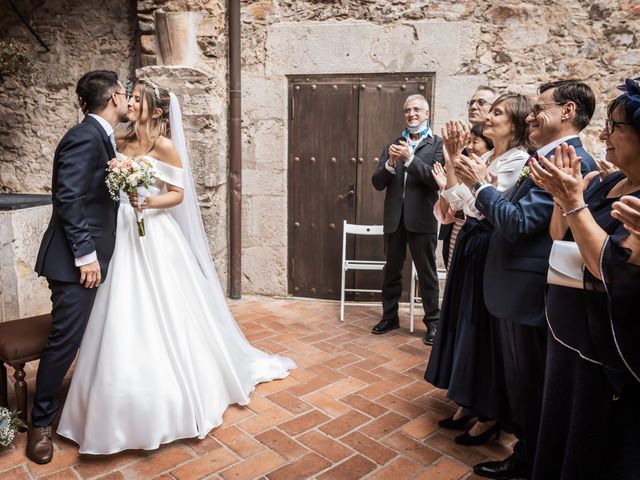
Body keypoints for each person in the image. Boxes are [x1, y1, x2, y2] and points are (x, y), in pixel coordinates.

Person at [56, 80, 295, 454]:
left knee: (166, 308)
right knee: (120, 311)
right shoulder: (115, 141)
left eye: (138, 99)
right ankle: (111, 395)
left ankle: (175, 392)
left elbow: (178, 194)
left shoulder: (164, 146)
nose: (131, 103)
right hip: (118, 235)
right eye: (129, 97)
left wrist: (147, 204)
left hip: (154, 234)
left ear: (158, 110)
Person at [460, 80, 598, 479]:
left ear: (568, 111)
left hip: (529, 291)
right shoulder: (544, 156)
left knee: (531, 384)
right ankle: (529, 452)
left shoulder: (569, 159)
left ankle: (532, 460)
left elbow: (519, 224)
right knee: (522, 383)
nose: (532, 115)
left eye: (541, 107)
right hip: (514, 288)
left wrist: (481, 186)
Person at [529, 78, 640, 479]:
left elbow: (608, 266)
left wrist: (575, 204)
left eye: (615, 126)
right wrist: (565, 200)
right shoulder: (609, 182)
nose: (604, 133)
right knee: (560, 422)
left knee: (592, 440)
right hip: (569, 332)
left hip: (606, 344)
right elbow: (559, 234)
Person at [28, 71, 130, 464]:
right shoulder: (83, 136)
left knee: (86, 335)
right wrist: (86, 255)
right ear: (113, 97)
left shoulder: (102, 137)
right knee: (65, 341)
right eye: (124, 93)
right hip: (74, 262)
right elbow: (67, 198)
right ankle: (41, 422)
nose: (126, 100)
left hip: (94, 256)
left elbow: (93, 197)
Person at [426, 94, 533, 447]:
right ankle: (468, 400)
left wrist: (474, 182)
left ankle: (490, 413)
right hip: (470, 244)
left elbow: (488, 208)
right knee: (463, 324)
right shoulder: (487, 157)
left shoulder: (519, 162)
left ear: (515, 124)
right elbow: (456, 203)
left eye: (497, 113)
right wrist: (455, 161)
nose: (487, 117)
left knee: (483, 330)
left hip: (489, 245)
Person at [371, 94, 444, 345]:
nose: (411, 114)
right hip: (394, 219)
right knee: (391, 270)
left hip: (422, 219)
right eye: (407, 110)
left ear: (426, 113)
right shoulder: (394, 143)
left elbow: (435, 180)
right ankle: (390, 317)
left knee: (427, 273)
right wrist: (390, 164)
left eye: (416, 110)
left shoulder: (436, 145)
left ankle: (433, 323)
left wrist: (410, 160)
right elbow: (377, 182)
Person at [439, 86, 499, 267]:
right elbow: (447, 197)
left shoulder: (498, 151)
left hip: (483, 232)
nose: (473, 106)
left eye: (481, 102)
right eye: (471, 102)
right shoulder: (461, 147)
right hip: (455, 225)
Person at [434, 124, 493, 268]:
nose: (470, 146)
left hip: (475, 232)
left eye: (475, 142)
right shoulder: (464, 164)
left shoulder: (487, 168)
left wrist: (447, 182)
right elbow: (450, 208)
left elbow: (464, 206)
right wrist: (445, 186)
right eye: (468, 142)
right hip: (457, 230)